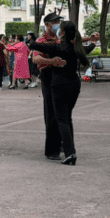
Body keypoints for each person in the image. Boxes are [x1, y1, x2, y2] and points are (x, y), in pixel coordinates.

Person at [28, 21, 95, 165]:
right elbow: (88, 49)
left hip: (59, 85)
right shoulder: (76, 48)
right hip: (74, 85)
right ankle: (70, 149)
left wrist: (31, 40)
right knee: (67, 118)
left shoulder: (57, 47)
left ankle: (70, 153)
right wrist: (93, 42)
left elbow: (36, 46)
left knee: (61, 120)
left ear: (62, 33)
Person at [34, 13, 64, 155]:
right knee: (51, 112)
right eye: (55, 21)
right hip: (48, 75)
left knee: (62, 113)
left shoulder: (59, 38)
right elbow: (36, 59)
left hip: (61, 77)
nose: (58, 23)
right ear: (47, 24)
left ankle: (62, 143)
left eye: (59, 21)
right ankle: (52, 150)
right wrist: (51, 62)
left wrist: (90, 39)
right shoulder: (41, 40)